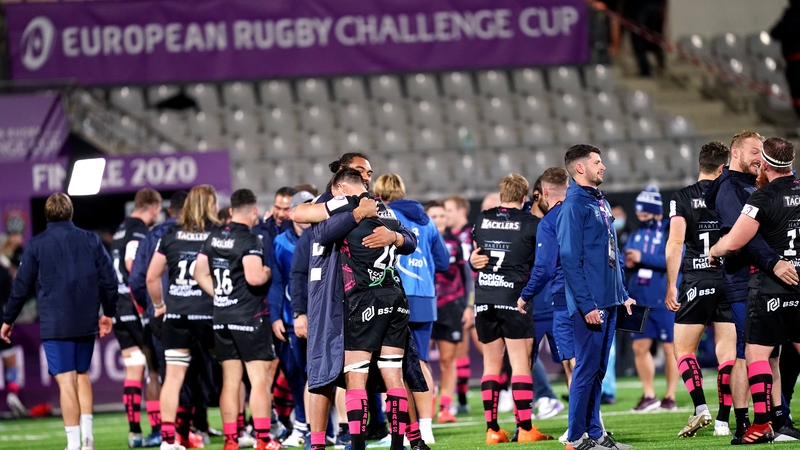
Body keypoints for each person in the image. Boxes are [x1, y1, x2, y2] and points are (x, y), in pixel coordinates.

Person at [291, 153, 421, 450]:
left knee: (356, 375)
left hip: (358, 299)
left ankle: (373, 442)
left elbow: (320, 232)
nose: (367, 176)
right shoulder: (345, 203)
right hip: (366, 297)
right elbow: (300, 214)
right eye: (362, 171)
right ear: (343, 173)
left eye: (370, 172)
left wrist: (392, 236)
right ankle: (404, 442)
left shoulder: (367, 205)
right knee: (387, 372)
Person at [1, 193, 117, 450]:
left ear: (47, 215)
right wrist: (108, 312)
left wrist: (8, 318)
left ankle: (74, 444)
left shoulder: (36, 244)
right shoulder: (91, 240)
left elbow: (21, 285)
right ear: (71, 212)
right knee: (82, 376)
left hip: (56, 321)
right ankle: (88, 440)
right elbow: (110, 279)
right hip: (85, 319)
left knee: (66, 381)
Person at [709, 137, 800, 444]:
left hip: (770, 286)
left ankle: (760, 423)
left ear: (765, 163)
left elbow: (736, 241)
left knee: (755, 353)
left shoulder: (762, 197)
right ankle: (776, 421)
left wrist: (715, 250)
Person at [323, 168, 417, 450]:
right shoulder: (385, 209)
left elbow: (321, 235)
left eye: (334, 192)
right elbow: (410, 241)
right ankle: (398, 445)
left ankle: (357, 444)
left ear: (342, 188)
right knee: (393, 374)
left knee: (356, 374)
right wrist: (396, 238)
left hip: (364, 297)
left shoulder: (347, 210)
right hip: (396, 297)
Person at [558, 145, 635, 450]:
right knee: (586, 369)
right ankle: (576, 437)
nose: (603, 167)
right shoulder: (574, 205)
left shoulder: (598, 201)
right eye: (597, 162)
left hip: (609, 300)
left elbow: (611, 255)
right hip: (591, 304)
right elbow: (569, 259)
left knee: (598, 371)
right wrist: (586, 304)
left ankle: (596, 433)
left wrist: (623, 294)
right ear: (580, 168)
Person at [194, 189, 280, 450]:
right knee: (259, 379)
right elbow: (254, 278)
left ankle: (231, 439)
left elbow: (199, 272)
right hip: (248, 316)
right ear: (254, 211)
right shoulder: (250, 239)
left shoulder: (214, 236)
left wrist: (222, 295)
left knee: (230, 381)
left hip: (222, 317)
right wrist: (268, 272)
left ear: (231, 211)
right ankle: (263, 439)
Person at [469, 173, 552, 444]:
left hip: (484, 297)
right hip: (514, 298)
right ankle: (525, 428)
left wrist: (472, 262)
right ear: (525, 197)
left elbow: (476, 255)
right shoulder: (532, 224)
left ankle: (492, 430)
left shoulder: (482, 219)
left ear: (501, 194)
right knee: (520, 364)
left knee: (490, 365)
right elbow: (541, 262)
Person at [665, 142, 737, 438]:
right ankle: (723, 420)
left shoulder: (682, 197)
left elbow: (675, 243)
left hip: (697, 280)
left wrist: (671, 285)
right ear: (723, 167)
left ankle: (700, 407)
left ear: (700, 164)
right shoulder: (733, 195)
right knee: (728, 355)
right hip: (729, 280)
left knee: (683, 350)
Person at [374, 174, 450, 444]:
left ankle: (402, 430)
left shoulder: (384, 215)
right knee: (421, 364)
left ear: (379, 194)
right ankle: (426, 428)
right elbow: (444, 261)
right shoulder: (426, 219)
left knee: (393, 365)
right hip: (426, 297)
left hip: (397, 297)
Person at [147, 185, 221, 450]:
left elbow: (151, 277)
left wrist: (159, 306)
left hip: (177, 314)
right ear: (211, 205)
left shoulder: (170, 235)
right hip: (208, 313)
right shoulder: (217, 233)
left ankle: (169, 440)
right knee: (231, 371)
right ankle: (236, 434)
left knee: (173, 377)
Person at [129, 190, 190, 447]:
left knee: (160, 374)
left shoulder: (150, 236)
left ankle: (163, 433)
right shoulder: (192, 232)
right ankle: (189, 430)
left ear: (168, 209)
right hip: (190, 311)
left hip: (159, 314)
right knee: (189, 374)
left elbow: (137, 280)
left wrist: (154, 306)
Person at [516, 168, 571, 441]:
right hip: (532, 307)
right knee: (522, 365)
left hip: (559, 302)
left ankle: (581, 423)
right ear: (537, 195)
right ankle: (523, 426)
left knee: (572, 364)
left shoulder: (563, 219)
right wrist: (475, 261)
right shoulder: (521, 224)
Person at [110, 188, 163, 448]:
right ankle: (157, 429)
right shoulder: (139, 230)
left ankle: (134, 433)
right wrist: (145, 299)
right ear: (153, 207)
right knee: (153, 370)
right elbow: (133, 264)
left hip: (118, 308)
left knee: (133, 369)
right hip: (135, 308)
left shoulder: (119, 231)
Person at [267, 190, 315, 447]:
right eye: (304, 206)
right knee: (295, 374)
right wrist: (275, 316)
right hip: (290, 319)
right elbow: (276, 283)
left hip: (322, 317)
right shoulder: (280, 242)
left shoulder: (325, 236)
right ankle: (303, 424)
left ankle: (329, 427)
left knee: (321, 374)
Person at [624, 186, 679, 413]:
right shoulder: (635, 233)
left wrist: (642, 257)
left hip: (663, 298)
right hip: (639, 298)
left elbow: (675, 257)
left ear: (656, 212)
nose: (641, 217)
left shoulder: (670, 230)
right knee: (639, 346)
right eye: (639, 214)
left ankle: (670, 396)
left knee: (670, 348)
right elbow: (628, 257)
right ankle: (649, 395)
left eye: (645, 213)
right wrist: (628, 261)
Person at [425, 200, 469, 424]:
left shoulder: (455, 242)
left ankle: (445, 408)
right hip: (425, 305)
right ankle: (427, 402)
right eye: (434, 216)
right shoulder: (418, 241)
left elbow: (466, 275)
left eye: (442, 215)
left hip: (451, 306)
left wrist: (468, 305)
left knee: (447, 360)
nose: (440, 220)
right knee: (421, 360)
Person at [443, 195, 475, 414]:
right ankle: (461, 400)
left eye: (449, 210)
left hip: (474, 293)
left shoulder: (471, 233)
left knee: (485, 347)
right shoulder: (449, 237)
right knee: (460, 350)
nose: (446, 215)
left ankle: (504, 389)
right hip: (457, 298)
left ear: (461, 210)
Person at [770, 0, 800, 118]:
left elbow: (775, 33)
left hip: (795, 62)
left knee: (796, 94)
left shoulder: (791, 15)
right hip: (794, 60)